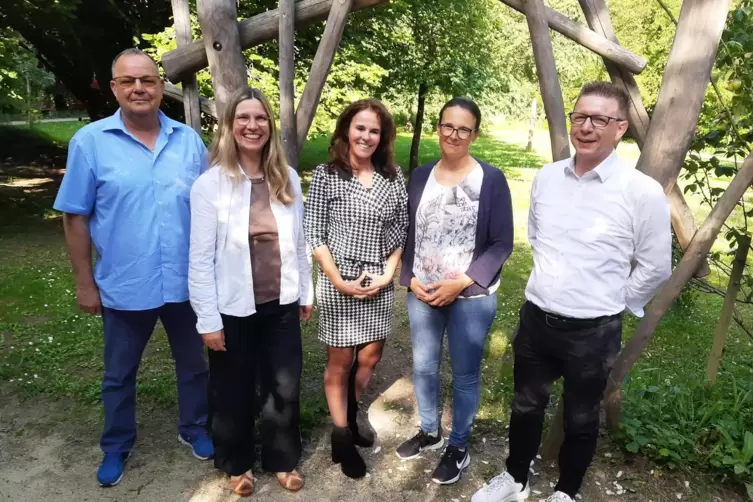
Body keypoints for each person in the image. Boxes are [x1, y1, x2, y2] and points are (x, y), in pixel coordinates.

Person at [472, 82, 672, 502]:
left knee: (582, 419)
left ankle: (566, 492)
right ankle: (515, 479)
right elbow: (538, 236)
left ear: (619, 128)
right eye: (580, 116)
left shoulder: (642, 192)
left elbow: (655, 266)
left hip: (593, 332)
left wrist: (619, 301)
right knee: (525, 407)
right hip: (537, 321)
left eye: (599, 119)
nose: (586, 127)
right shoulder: (547, 178)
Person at [52, 48, 212, 488]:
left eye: (148, 80)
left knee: (194, 365)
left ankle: (194, 427)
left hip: (184, 283)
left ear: (162, 88)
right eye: (129, 81)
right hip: (125, 284)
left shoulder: (189, 141)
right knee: (119, 374)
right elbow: (74, 216)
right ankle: (117, 445)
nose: (139, 88)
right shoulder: (90, 142)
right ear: (114, 88)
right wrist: (85, 282)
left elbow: (210, 207)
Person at [188, 87, 313, 497]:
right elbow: (200, 259)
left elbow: (299, 240)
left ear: (270, 128)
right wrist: (207, 319)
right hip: (232, 307)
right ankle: (237, 464)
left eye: (260, 118)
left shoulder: (287, 177)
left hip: (281, 302)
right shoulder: (210, 186)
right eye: (243, 118)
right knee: (233, 388)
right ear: (229, 127)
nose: (252, 126)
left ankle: (282, 459)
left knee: (284, 385)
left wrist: (306, 292)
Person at [396, 97, 514, 485]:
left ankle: (458, 446)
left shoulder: (491, 179)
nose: (454, 134)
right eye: (448, 126)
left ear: (475, 134)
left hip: (470, 299)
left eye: (464, 129)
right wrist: (409, 278)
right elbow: (409, 232)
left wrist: (462, 281)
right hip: (422, 294)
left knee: (464, 375)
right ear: (438, 127)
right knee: (424, 367)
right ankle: (430, 431)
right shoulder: (420, 176)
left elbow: (501, 243)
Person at [304, 98, 408, 479]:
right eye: (360, 127)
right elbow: (314, 233)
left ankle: (349, 409)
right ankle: (342, 434)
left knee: (370, 356)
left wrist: (386, 275)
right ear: (347, 128)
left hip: (378, 282)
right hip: (339, 280)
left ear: (383, 137)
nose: (366, 136)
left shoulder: (392, 178)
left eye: (374, 130)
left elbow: (400, 231)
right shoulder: (327, 174)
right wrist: (337, 280)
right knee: (341, 361)